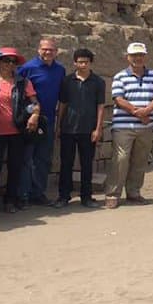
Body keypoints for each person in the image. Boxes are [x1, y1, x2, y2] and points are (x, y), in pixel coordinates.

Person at [106, 42, 153, 208]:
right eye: (134, 55)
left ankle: (133, 192)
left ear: (145, 57)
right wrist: (137, 112)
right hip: (124, 126)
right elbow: (118, 98)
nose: (137, 58)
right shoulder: (119, 77)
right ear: (128, 57)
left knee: (140, 160)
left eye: (140, 55)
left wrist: (147, 111)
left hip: (146, 126)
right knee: (121, 159)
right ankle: (113, 194)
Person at [0, 47, 40, 214]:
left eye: (12, 61)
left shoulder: (23, 82)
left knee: (15, 167)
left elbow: (35, 103)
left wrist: (34, 115)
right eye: (5, 60)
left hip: (17, 131)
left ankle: (10, 200)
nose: (9, 64)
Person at [54, 48, 106, 208]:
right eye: (80, 62)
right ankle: (63, 196)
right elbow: (62, 104)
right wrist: (58, 126)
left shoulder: (98, 82)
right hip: (68, 128)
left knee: (86, 164)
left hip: (88, 130)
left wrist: (98, 129)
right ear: (74, 63)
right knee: (66, 164)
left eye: (86, 62)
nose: (83, 65)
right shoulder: (67, 81)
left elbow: (100, 106)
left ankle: (86, 197)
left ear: (91, 63)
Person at [17, 38, 66, 207]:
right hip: (29, 120)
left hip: (49, 121)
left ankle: (38, 193)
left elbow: (62, 96)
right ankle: (22, 194)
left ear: (56, 51)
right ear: (38, 50)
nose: (48, 52)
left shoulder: (60, 70)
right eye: (44, 49)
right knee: (26, 158)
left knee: (43, 158)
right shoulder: (28, 68)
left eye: (51, 50)